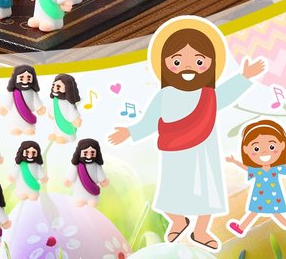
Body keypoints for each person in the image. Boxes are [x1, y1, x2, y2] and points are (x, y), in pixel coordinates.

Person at [109, 16, 265, 250]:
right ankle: (178, 220)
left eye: (198, 61)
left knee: (206, 193)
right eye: (178, 61)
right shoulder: (164, 96)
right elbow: (150, 121)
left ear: (210, 64)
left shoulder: (208, 95)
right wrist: (130, 132)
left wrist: (244, 77)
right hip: (175, 152)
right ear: (166, 64)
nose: (188, 66)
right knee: (171, 192)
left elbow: (225, 96)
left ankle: (201, 231)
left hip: (203, 153)